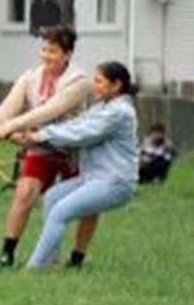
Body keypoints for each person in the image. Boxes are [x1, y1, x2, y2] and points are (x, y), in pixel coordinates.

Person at [11, 61, 141, 271]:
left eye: (99, 81)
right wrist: (36, 136)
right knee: (53, 197)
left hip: (115, 182)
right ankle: (50, 263)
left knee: (59, 213)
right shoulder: (101, 107)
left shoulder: (120, 112)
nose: (94, 85)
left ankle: (33, 269)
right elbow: (75, 125)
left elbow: (82, 134)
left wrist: (40, 136)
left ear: (116, 85)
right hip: (95, 178)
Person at [0, 26, 93, 269]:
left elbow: (49, 111)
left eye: (52, 51)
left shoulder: (80, 81)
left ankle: (77, 258)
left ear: (68, 54)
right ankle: (6, 254)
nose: (46, 56)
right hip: (41, 147)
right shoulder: (30, 77)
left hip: (74, 150)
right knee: (24, 193)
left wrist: (10, 127)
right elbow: (7, 108)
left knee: (88, 203)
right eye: (44, 49)